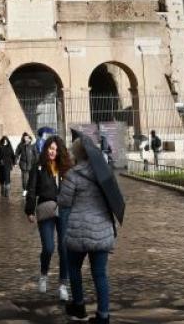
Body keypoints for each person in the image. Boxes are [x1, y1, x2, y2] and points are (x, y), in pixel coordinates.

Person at [60, 136, 117, 324]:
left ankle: (78, 306)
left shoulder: (73, 175)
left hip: (79, 230)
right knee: (100, 274)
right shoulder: (104, 173)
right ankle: (103, 315)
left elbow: (64, 202)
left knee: (74, 269)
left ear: (76, 154)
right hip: (102, 230)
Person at [26, 135, 72, 302]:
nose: (53, 152)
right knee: (49, 247)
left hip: (64, 210)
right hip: (46, 209)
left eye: (56, 149)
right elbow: (31, 189)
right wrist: (29, 210)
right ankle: (44, 275)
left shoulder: (66, 168)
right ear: (46, 149)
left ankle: (62, 285)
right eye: (50, 149)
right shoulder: (38, 167)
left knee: (64, 248)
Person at [15, 132, 37, 197]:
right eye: (25, 137)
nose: (26, 138)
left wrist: (37, 163)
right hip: (23, 164)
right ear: (23, 138)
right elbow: (17, 153)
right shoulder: (20, 145)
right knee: (25, 179)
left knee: (32, 178)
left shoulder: (32, 145)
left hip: (32, 164)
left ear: (29, 138)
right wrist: (15, 161)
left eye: (27, 137)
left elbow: (36, 155)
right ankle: (25, 190)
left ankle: (31, 190)